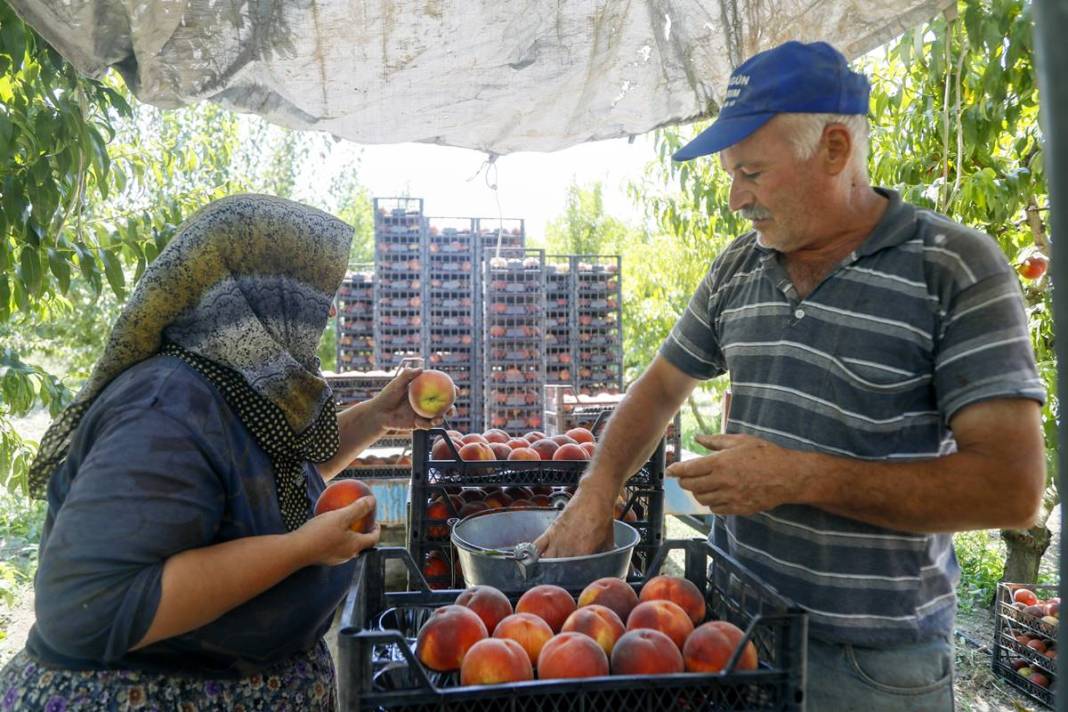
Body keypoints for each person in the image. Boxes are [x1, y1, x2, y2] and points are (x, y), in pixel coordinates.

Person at [537, 41, 1046, 711]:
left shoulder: (953, 268)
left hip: (871, 667)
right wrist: (598, 488)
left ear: (834, 149)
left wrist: (799, 477)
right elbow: (660, 387)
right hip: (734, 635)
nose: (732, 198)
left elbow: (1010, 489)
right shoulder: (738, 268)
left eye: (750, 171)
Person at [0, 195, 445, 710]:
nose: (327, 311)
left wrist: (377, 417)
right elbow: (90, 606)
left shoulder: (235, 386)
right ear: (256, 295)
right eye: (312, 292)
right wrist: (303, 549)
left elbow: (261, 482)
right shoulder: (163, 405)